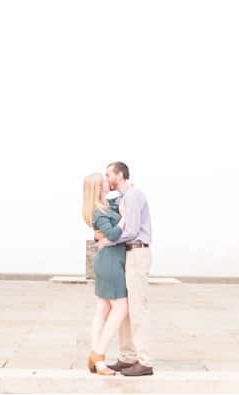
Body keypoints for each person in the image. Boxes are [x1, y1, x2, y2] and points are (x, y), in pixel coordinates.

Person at [96, 161, 154, 377]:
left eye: (108, 174)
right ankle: (127, 357)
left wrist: (107, 242)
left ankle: (145, 361)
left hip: (137, 252)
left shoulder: (133, 195)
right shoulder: (123, 198)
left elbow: (131, 230)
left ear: (119, 175)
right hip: (128, 253)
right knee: (126, 308)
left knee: (138, 307)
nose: (106, 178)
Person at [81, 172, 127, 375]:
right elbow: (114, 234)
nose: (108, 183)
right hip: (109, 261)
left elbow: (119, 202)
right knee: (121, 307)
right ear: (99, 187)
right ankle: (99, 354)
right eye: (104, 181)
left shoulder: (105, 206)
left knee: (103, 308)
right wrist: (125, 218)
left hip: (109, 258)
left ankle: (96, 359)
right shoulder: (98, 212)